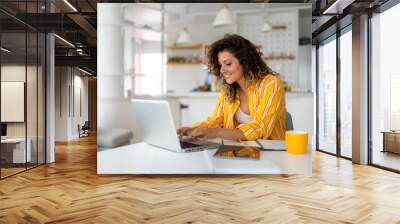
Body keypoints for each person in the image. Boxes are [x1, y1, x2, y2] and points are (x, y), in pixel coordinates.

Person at [178, 34, 286, 141]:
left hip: (270, 153)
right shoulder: (227, 90)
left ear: (245, 61)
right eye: (220, 65)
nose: (222, 70)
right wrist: (192, 130)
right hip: (239, 152)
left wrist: (215, 133)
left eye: (228, 64)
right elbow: (216, 121)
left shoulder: (271, 83)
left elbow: (260, 129)